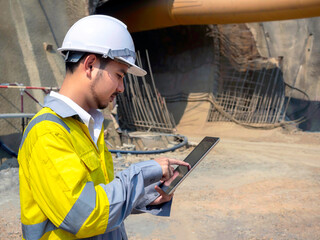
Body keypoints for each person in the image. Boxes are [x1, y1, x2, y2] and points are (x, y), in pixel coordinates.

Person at [17, 15, 189, 240]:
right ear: (89, 65)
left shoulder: (86, 126)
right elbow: (85, 216)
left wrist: (145, 196)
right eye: (119, 75)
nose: (121, 87)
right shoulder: (48, 132)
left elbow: (99, 198)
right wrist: (142, 172)